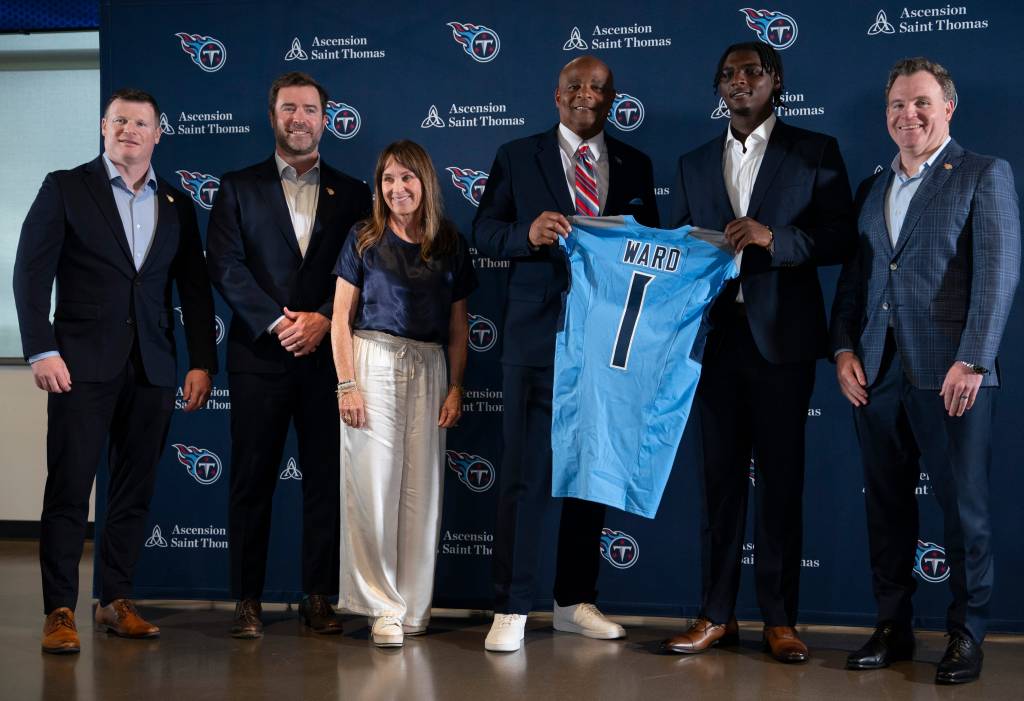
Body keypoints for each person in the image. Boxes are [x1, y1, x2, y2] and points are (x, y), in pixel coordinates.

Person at [661, 42, 855, 662]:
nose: (738, 80)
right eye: (727, 74)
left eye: (751, 71)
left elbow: (841, 237)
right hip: (714, 342)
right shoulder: (693, 162)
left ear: (776, 80)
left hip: (783, 343)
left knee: (780, 483)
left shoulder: (813, 151)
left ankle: (779, 620)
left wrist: (777, 238)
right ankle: (715, 614)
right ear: (718, 88)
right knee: (718, 485)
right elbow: (677, 249)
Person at [832, 57, 1020, 685]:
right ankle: (893, 627)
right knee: (886, 510)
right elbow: (855, 281)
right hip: (877, 374)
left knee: (964, 513)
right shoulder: (872, 188)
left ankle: (967, 634)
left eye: (920, 103)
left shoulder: (983, 174)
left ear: (948, 109)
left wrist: (975, 358)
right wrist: (843, 349)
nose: (907, 114)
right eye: (897, 104)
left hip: (953, 376)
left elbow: (997, 273)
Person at [13, 88, 217, 654]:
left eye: (141, 123)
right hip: (79, 365)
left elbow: (194, 290)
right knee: (69, 487)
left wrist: (202, 360)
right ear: (104, 127)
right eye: (120, 120)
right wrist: (41, 349)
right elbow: (30, 272)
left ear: (158, 133)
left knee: (133, 490)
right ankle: (59, 609)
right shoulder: (65, 187)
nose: (130, 130)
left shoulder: (176, 203)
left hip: (153, 367)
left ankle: (115, 599)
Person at [473, 55, 659, 652]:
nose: (586, 95)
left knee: (591, 475)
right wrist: (526, 234)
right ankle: (512, 605)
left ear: (612, 100)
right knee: (524, 475)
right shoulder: (515, 155)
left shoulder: (635, 164)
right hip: (535, 338)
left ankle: (574, 600)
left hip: (605, 343)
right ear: (557, 96)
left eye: (598, 88)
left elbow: (649, 252)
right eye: (575, 86)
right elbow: (483, 231)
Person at [206, 71, 371, 638]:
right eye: (288, 109)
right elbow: (225, 266)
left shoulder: (354, 193)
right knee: (251, 481)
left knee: (325, 480)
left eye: (309, 109)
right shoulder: (237, 187)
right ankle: (247, 600)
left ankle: (318, 596)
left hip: (330, 359)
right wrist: (280, 323)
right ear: (272, 115)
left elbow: (364, 271)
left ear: (325, 118)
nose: (299, 119)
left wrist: (324, 317)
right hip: (260, 358)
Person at [331, 140, 476, 647]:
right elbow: (340, 318)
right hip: (373, 360)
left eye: (406, 178)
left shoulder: (449, 242)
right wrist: (347, 383)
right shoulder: (364, 238)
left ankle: (412, 606)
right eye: (388, 179)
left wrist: (455, 386)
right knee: (374, 485)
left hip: (430, 366)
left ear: (425, 183)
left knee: (421, 492)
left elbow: (459, 326)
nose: (397, 188)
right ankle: (381, 606)